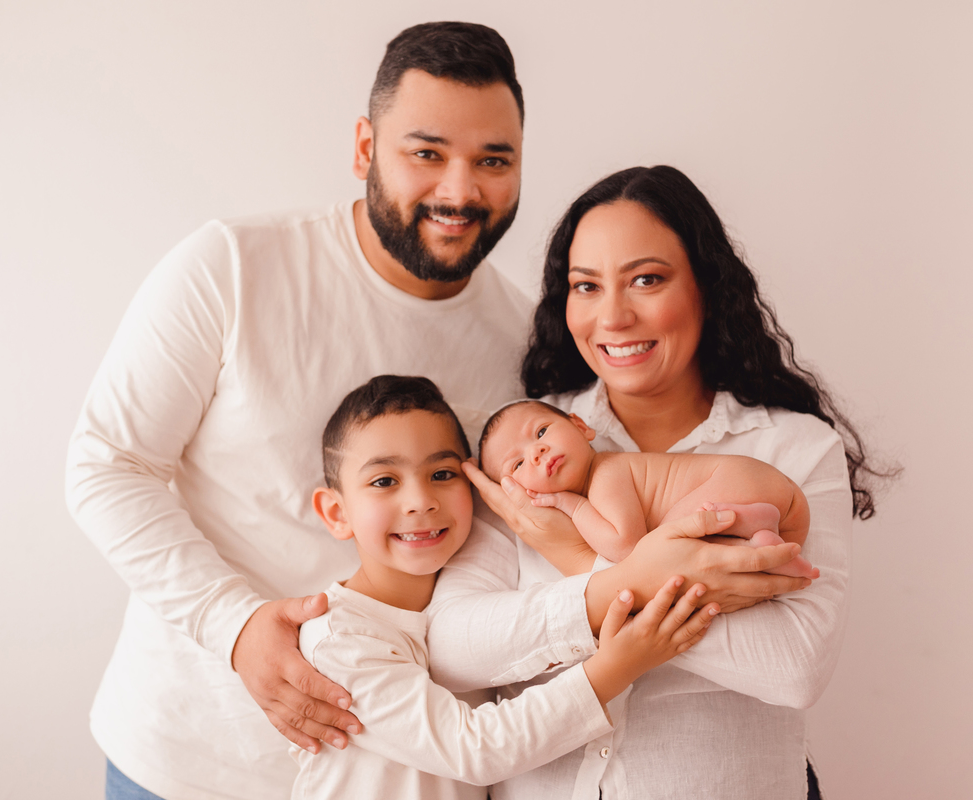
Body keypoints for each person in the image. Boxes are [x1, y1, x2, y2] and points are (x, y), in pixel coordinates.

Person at [66, 20, 807, 799]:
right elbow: (106, 466)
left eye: (493, 160)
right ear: (364, 149)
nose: (460, 191)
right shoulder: (234, 268)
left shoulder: (528, 350)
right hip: (193, 759)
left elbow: (512, 570)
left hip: (408, 773)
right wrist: (237, 627)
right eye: (426, 154)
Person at [429, 165, 883, 799]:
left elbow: (794, 667)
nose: (612, 316)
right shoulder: (527, 451)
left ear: (706, 286)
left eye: (646, 279)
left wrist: (577, 563)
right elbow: (450, 646)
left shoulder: (794, 449)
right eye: (586, 286)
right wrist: (640, 583)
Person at [292, 375, 717, 800]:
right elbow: (474, 749)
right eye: (384, 481)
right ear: (336, 512)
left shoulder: (478, 606)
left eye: (442, 473)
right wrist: (614, 669)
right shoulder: (339, 638)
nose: (421, 500)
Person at [476, 399, 818, 578]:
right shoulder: (606, 477)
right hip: (775, 499)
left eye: (541, 433)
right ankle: (758, 536)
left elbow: (627, 549)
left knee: (665, 551)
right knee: (695, 561)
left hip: (736, 481)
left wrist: (572, 506)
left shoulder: (606, 473)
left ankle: (751, 524)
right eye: (517, 465)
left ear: (581, 426)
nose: (536, 453)